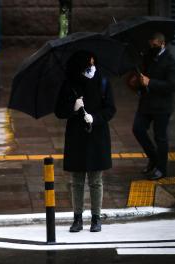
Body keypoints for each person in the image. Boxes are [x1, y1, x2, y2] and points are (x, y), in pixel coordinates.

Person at [54, 50, 116, 232]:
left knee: (96, 180)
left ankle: (96, 218)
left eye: (93, 63)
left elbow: (111, 109)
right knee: (77, 181)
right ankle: (77, 218)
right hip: (76, 136)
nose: (91, 67)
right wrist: (73, 108)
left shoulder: (103, 81)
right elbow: (59, 111)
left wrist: (95, 118)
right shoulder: (70, 83)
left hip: (97, 135)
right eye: (88, 64)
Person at [130, 32, 175, 180]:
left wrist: (150, 82)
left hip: (162, 106)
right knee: (138, 129)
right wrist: (136, 83)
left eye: (153, 42)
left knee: (160, 137)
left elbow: (172, 86)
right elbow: (143, 77)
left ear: (161, 43)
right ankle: (154, 158)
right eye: (149, 42)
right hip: (146, 103)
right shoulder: (148, 57)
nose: (150, 45)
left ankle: (161, 169)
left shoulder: (172, 62)